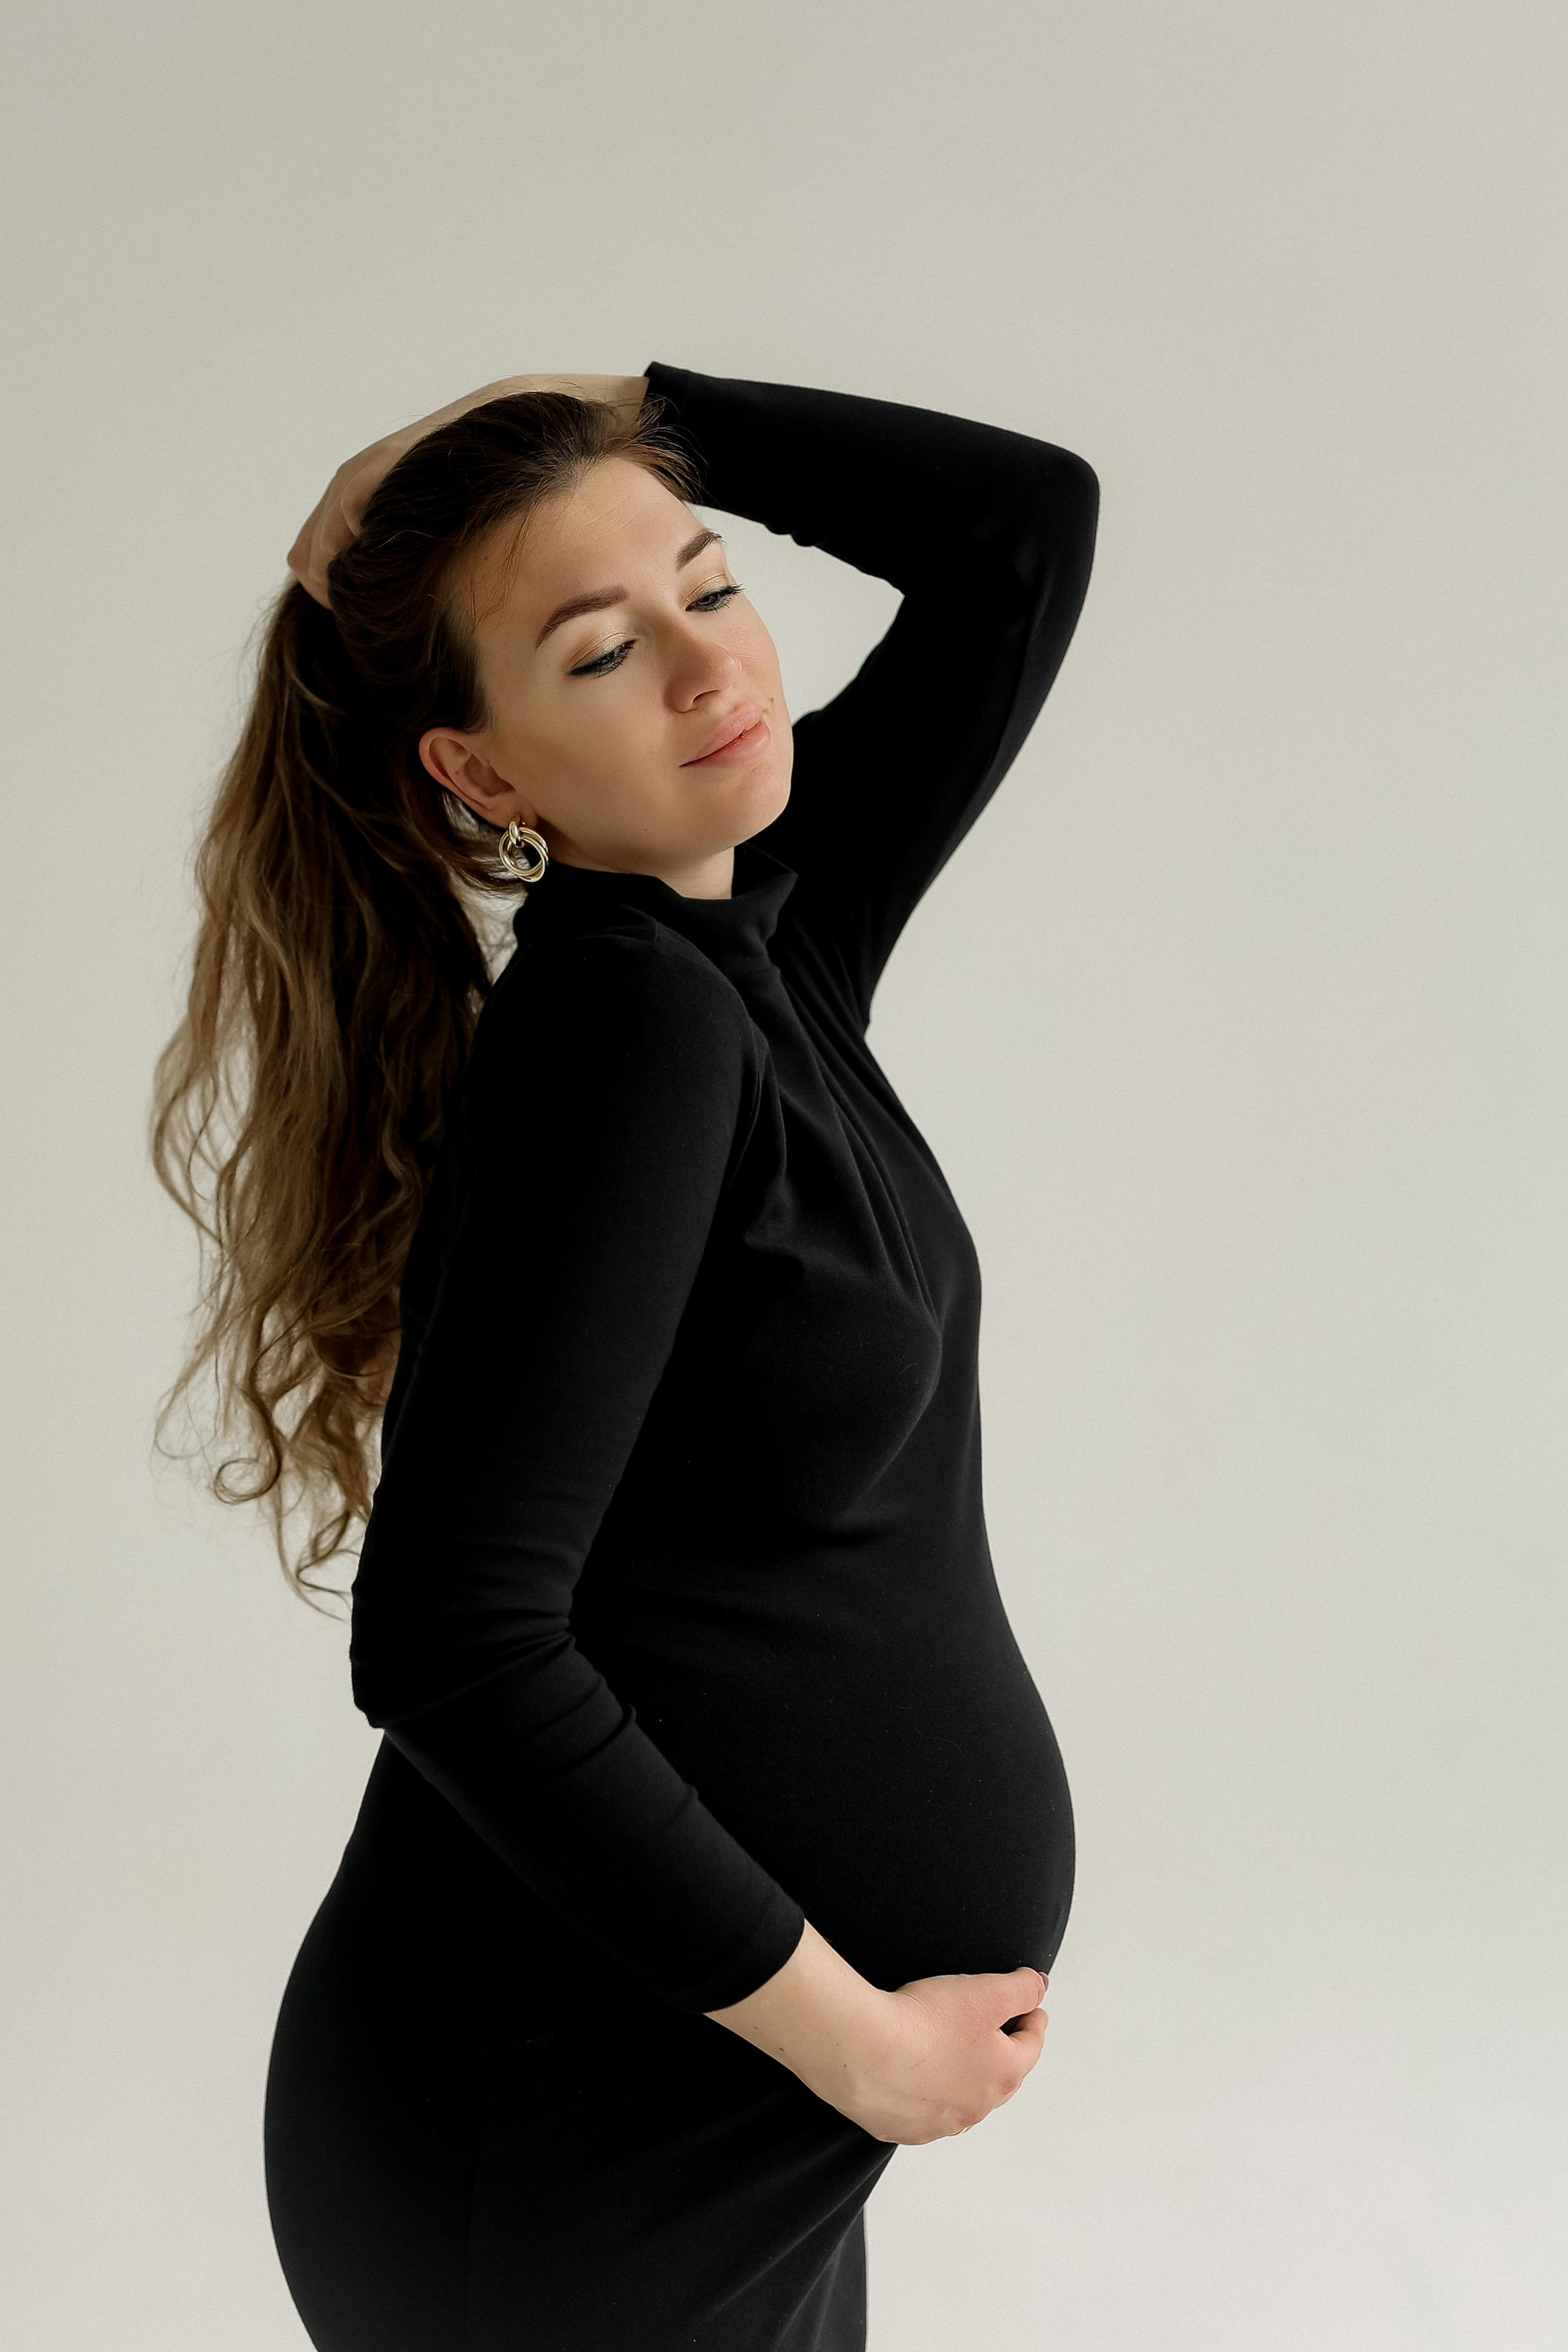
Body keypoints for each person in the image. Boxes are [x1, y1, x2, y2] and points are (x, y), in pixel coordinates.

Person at [153, 359, 1098, 2350]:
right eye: (599, 651)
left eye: (711, 583)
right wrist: (855, 2044)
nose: (706, 666)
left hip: (698, 2110)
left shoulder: (764, 938)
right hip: (588, 2135)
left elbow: (1021, 536)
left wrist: (607, 401)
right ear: (483, 776)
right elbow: (455, 1647)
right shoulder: (627, 1031)